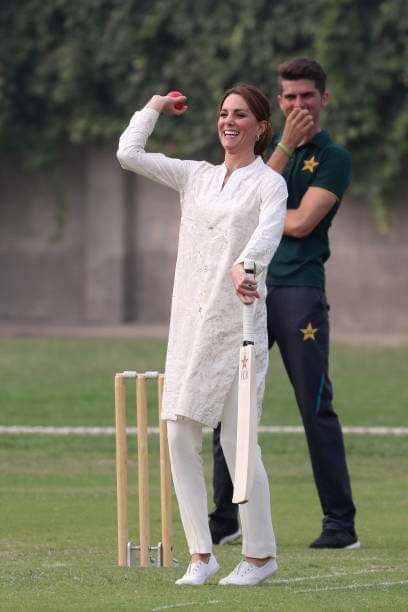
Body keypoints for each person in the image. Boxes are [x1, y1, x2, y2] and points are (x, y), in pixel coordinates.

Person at [117, 84, 288, 585]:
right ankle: (201, 554)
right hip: (192, 324)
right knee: (177, 432)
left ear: (261, 127)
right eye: (223, 113)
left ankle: (259, 557)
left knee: (238, 443)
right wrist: (153, 108)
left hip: (238, 326)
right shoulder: (197, 176)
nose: (228, 122)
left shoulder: (267, 183)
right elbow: (128, 154)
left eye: (240, 115)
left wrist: (246, 266)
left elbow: (270, 230)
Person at [211, 58, 360, 550]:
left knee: (314, 406)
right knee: (229, 400)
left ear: (323, 99)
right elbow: (251, 202)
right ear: (278, 101)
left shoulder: (333, 156)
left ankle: (340, 525)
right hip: (251, 287)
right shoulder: (274, 151)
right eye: (290, 97)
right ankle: (226, 517)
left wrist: (287, 163)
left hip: (298, 289)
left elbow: (297, 224)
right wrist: (284, 147)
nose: (299, 105)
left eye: (307, 97)